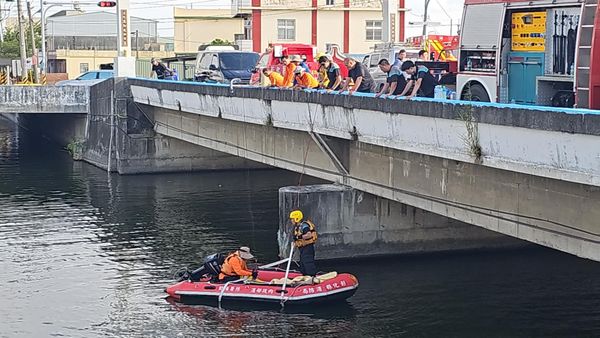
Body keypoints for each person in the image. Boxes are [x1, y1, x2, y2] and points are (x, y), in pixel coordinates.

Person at [289, 210, 318, 276]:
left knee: (308, 263)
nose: (291, 221)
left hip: (307, 248)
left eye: (292, 219)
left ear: (297, 218)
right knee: (302, 264)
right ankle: (305, 276)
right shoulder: (297, 227)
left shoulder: (304, 226)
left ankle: (312, 277)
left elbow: (309, 235)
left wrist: (299, 237)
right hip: (302, 249)